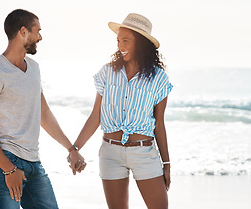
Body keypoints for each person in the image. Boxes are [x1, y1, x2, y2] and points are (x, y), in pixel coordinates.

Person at [0, 9, 86, 209]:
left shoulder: (34, 68)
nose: (40, 37)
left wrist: (71, 148)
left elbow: (43, 113)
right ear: (23, 32)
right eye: (37, 31)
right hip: (5, 161)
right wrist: (9, 170)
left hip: (33, 162)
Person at [70, 13, 173, 208]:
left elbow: (159, 124)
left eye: (126, 41)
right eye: (118, 41)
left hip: (144, 153)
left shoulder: (159, 79)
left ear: (141, 43)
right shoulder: (107, 73)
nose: (120, 46)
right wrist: (75, 148)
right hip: (110, 153)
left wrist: (166, 164)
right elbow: (95, 116)